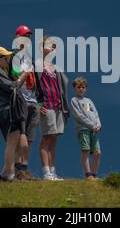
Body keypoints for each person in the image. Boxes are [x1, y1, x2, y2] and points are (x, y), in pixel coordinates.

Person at [0, 46, 29, 181]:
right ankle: (9, 174)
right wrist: (23, 76)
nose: (8, 60)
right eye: (6, 58)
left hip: (7, 111)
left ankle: (6, 173)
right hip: (7, 111)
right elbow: (13, 86)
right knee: (11, 143)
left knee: (17, 143)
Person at [35, 36, 69, 180]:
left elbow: (63, 88)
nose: (52, 49)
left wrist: (64, 108)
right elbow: (31, 87)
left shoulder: (57, 68)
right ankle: (46, 172)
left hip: (58, 107)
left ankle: (53, 172)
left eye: (54, 47)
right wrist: (37, 105)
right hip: (46, 105)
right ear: (42, 48)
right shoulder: (37, 65)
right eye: (49, 46)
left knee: (53, 140)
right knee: (45, 138)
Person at [10, 25, 40, 180]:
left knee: (29, 137)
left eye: (28, 37)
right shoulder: (13, 57)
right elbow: (14, 79)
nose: (27, 39)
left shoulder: (29, 58)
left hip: (32, 100)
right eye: (24, 36)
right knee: (19, 135)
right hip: (21, 99)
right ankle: (16, 169)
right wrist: (24, 73)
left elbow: (35, 82)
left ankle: (24, 168)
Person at [70, 77, 101, 180]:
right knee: (86, 150)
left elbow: (94, 113)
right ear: (74, 88)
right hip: (83, 129)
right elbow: (79, 116)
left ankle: (95, 174)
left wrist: (98, 125)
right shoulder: (74, 100)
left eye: (83, 87)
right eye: (79, 87)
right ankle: (88, 174)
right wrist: (91, 125)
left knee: (97, 152)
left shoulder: (88, 101)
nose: (81, 89)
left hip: (94, 129)